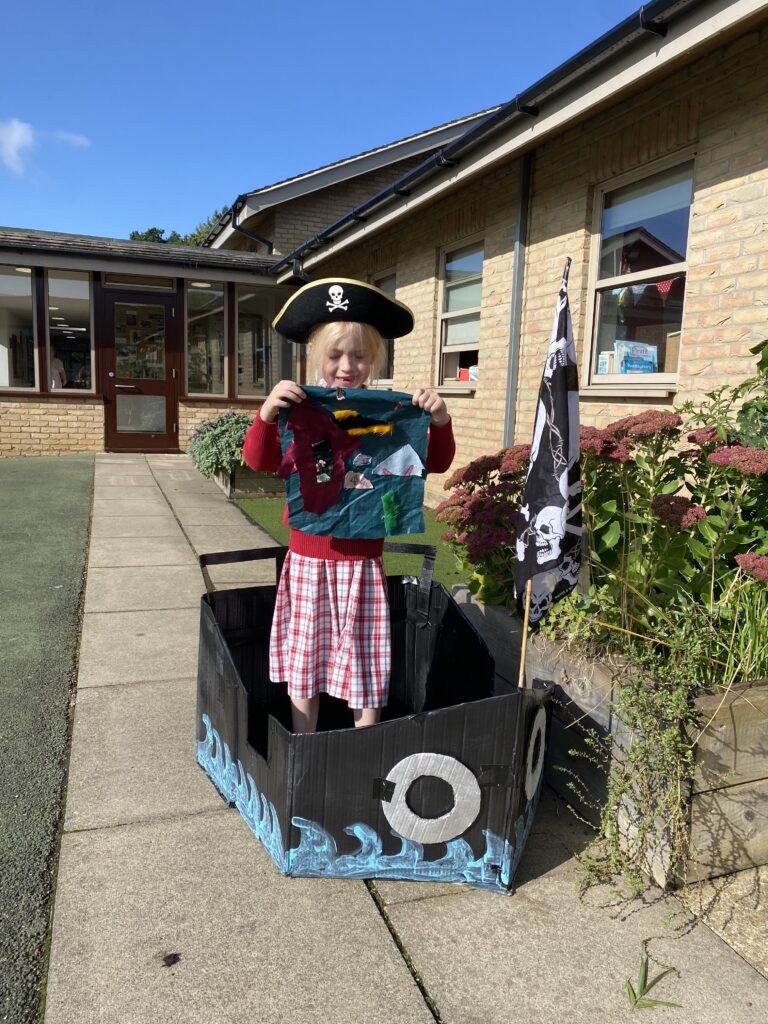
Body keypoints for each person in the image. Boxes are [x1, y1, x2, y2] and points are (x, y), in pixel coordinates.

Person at [243, 278, 455, 735]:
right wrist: (267, 413)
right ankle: (305, 745)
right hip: (307, 558)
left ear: (373, 359)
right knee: (306, 658)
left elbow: (431, 462)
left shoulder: (390, 411)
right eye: (336, 355)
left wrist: (438, 420)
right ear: (316, 355)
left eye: (359, 356)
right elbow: (259, 461)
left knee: (365, 661)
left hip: (363, 562)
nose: (347, 366)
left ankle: (365, 748)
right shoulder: (300, 406)